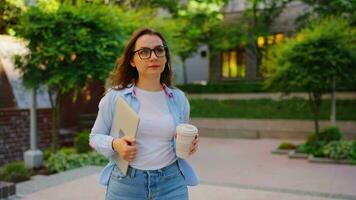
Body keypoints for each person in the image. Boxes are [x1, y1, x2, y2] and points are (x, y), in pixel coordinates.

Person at [89, 28, 199, 200]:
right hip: (126, 185)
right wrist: (115, 144)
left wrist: (188, 145)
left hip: (171, 183)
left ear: (165, 56)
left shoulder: (179, 99)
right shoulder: (115, 98)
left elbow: (179, 139)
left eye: (159, 50)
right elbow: (95, 137)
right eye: (144, 52)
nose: (153, 57)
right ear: (132, 60)